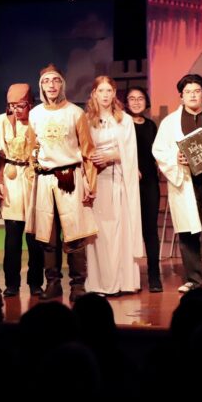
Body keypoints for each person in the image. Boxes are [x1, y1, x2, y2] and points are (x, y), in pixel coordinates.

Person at [152, 74, 202, 294]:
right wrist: (175, 158)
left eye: (197, 91)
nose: (193, 95)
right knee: (188, 230)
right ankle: (193, 279)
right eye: (188, 92)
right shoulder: (170, 122)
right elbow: (159, 150)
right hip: (185, 181)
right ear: (181, 96)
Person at [26, 64, 97, 302]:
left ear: (62, 84)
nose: (51, 85)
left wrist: (90, 183)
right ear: (41, 86)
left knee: (75, 234)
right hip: (45, 179)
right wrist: (33, 176)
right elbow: (31, 148)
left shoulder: (75, 113)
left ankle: (78, 285)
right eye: (46, 81)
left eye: (56, 80)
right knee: (48, 235)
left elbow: (87, 150)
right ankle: (53, 283)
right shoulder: (35, 114)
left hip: (70, 177)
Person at [83, 76, 142, 295]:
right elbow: (82, 150)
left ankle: (123, 282)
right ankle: (100, 282)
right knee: (101, 233)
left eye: (109, 90)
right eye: (101, 91)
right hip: (97, 180)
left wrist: (111, 156)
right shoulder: (86, 120)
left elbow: (130, 151)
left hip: (119, 179)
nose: (105, 95)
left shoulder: (124, 120)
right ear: (94, 93)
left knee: (120, 230)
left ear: (114, 93)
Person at [0, 83, 44, 297]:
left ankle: (35, 282)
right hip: (11, 179)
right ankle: (11, 283)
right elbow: (0, 159)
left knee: (34, 238)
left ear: (30, 104)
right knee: (12, 237)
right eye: (12, 106)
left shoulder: (38, 121)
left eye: (21, 105)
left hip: (33, 178)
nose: (16, 110)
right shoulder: (1, 123)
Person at [126, 86, 163, 292]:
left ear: (146, 101)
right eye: (132, 98)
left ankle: (154, 277)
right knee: (127, 230)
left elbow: (157, 153)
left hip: (149, 183)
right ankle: (128, 277)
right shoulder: (122, 124)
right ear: (126, 102)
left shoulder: (151, 125)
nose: (136, 102)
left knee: (150, 230)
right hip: (127, 182)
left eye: (140, 98)